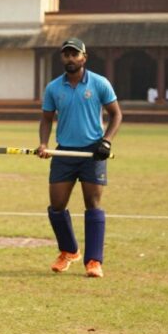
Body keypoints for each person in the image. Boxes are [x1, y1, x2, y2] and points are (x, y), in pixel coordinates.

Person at [37, 37, 122, 278]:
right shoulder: (53, 87)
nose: (71, 58)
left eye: (75, 54)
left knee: (92, 205)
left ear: (84, 57)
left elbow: (116, 115)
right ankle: (69, 251)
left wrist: (106, 141)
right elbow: (46, 119)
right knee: (56, 207)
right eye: (66, 54)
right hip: (63, 152)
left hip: (92, 152)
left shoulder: (99, 83)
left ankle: (93, 261)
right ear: (62, 58)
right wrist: (44, 143)